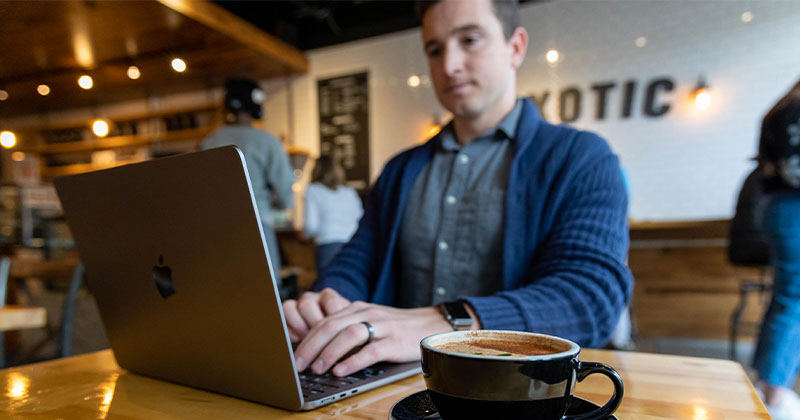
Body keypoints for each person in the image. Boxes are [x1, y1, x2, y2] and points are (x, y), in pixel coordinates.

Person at [283, 0, 632, 378]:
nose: (449, 65)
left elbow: (591, 297)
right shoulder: (400, 170)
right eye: (435, 49)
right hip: (394, 385)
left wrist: (451, 323)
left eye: (469, 39)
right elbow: (357, 263)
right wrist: (327, 306)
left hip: (519, 392)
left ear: (515, 47)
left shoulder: (582, 158)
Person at [201, 78, 295, 285]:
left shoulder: (209, 142)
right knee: (266, 288)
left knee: (226, 288)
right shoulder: (267, 141)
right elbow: (285, 185)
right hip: (257, 223)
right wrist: (282, 204)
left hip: (218, 229)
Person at [752, 79, 800, 420]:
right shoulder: (795, 112)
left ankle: (763, 384)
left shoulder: (780, 110)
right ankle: (773, 391)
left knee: (786, 298)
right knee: (793, 300)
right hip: (793, 208)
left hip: (778, 207)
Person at [303, 155, 364, 271]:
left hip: (328, 246)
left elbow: (311, 225)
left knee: (327, 287)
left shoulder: (313, 190)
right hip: (351, 246)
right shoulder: (349, 192)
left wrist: (305, 236)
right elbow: (361, 219)